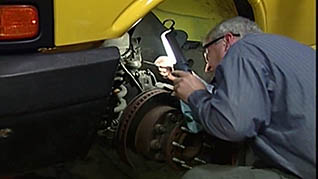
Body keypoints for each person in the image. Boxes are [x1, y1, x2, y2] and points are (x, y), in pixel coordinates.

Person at [154, 16, 316, 179]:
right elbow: (238, 102)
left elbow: (232, 126)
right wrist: (185, 81)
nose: (208, 67)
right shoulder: (290, 50)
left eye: (207, 54)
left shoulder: (242, 49)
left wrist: (196, 97)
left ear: (227, 41)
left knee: (197, 176)